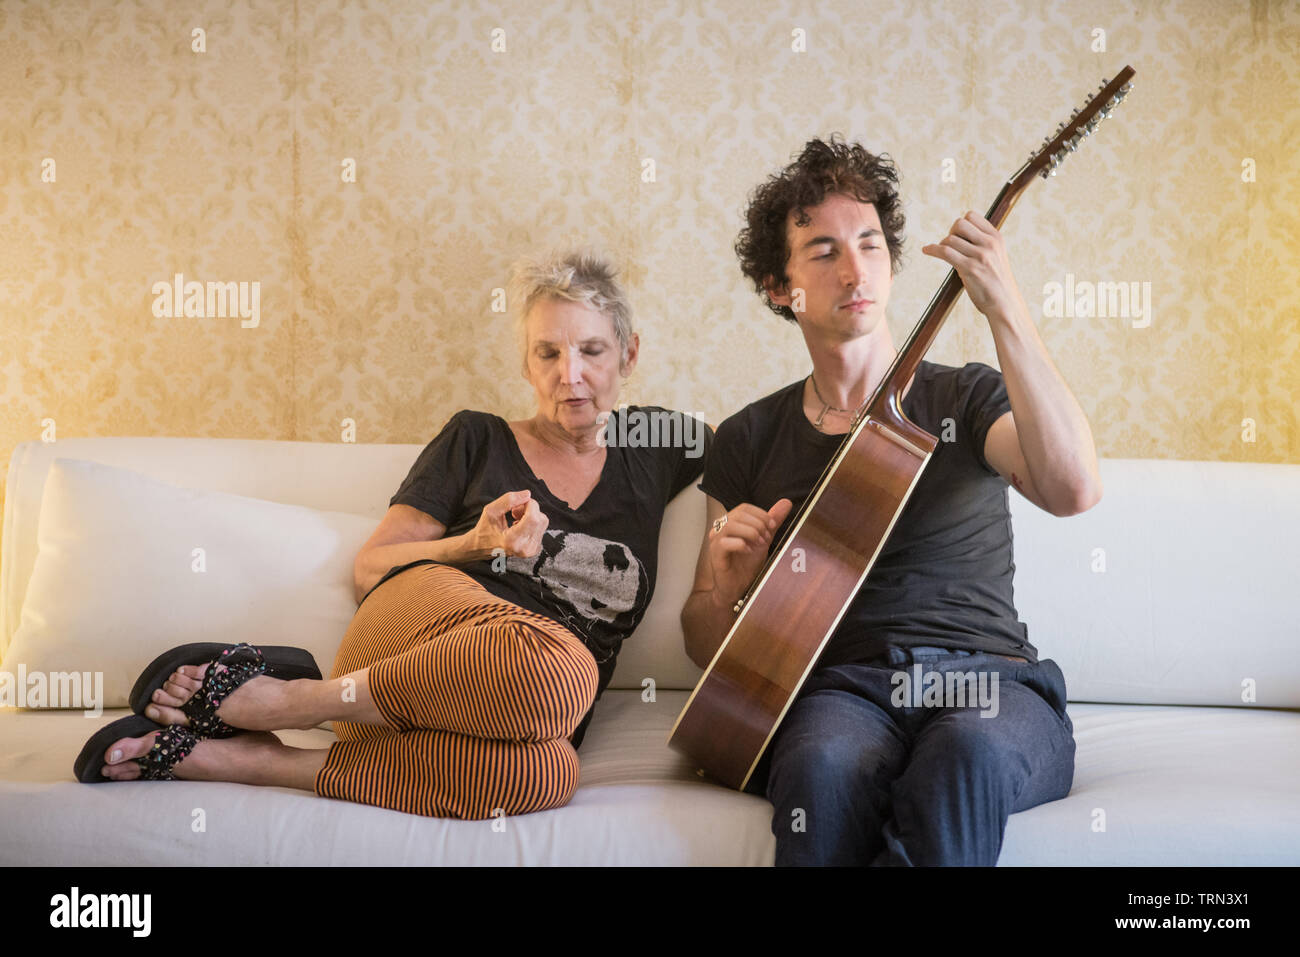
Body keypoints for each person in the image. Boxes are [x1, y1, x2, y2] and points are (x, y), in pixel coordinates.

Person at [86, 250, 709, 819]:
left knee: (546, 774)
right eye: (548, 352)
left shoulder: (652, 445)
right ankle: (291, 701)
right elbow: (371, 569)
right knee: (562, 666)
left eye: (592, 351)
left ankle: (252, 759)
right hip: (409, 643)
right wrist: (474, 545)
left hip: (517, 715)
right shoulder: (476, 438)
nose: (569, 374)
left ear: (629, 355)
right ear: (526, 363)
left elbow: (763, 446)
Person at [681, 135, 1102, 865]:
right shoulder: (748, 437)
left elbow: (1073, 489)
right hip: (845, 695)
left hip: (990, 685)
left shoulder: (965, 397)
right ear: (781, 289)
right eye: (823, 251)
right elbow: (701, 640)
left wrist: (1005, 307)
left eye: (870, 244)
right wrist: (726, 589)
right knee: (820, 768)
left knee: (962, 756)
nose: (854, 269)